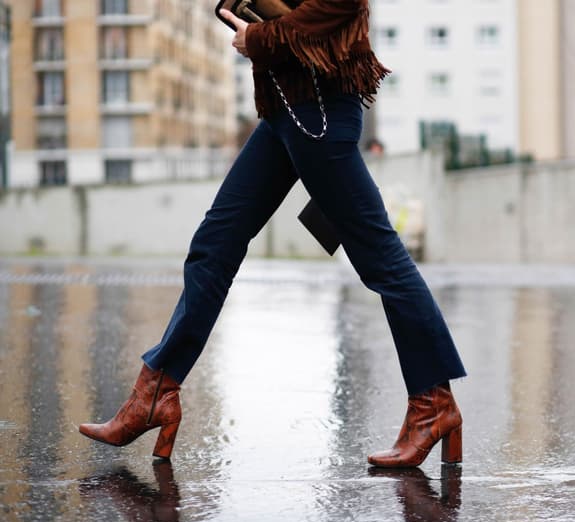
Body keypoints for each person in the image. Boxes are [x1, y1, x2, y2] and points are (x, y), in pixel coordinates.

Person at [78, 0, 467, 468]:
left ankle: (433, 405)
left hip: (320, 111)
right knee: (214, 243)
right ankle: (155, 392)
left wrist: (258, 40)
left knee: (381, 260)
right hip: (284, 112)